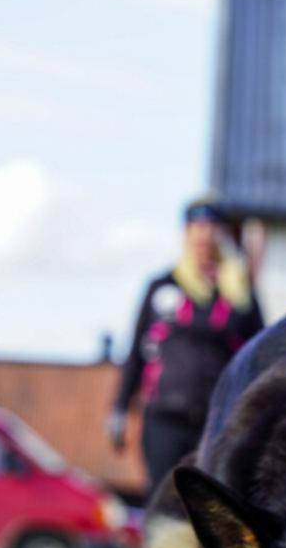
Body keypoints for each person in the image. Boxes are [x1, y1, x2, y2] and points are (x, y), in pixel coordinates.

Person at [107, 196, 264, 495]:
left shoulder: (239, 294)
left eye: (211, 227)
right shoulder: (162, 287)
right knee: (164, 505)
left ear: (222, 234)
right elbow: (136, 355)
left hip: (217, 423)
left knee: (212, 508)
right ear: (186, 233)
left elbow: (260, 355)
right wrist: (119, 410)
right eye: (196, 227)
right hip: (164, 420)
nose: (203, 234)